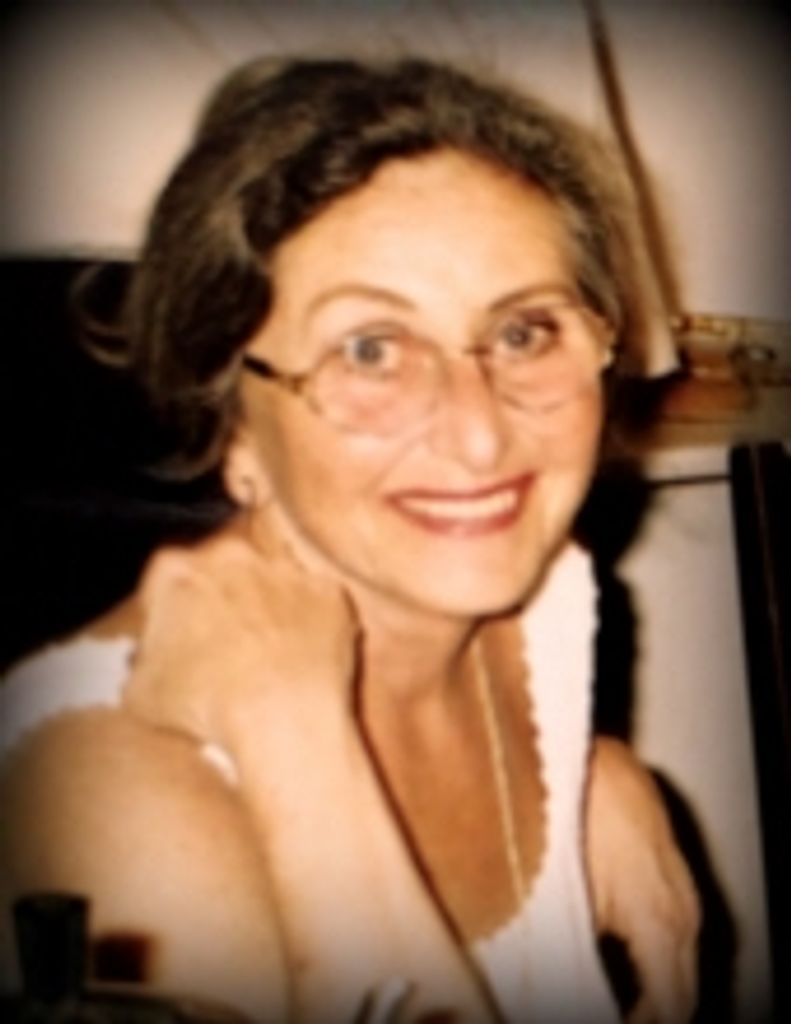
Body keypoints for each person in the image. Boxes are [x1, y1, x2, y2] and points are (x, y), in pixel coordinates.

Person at [0, 57, 699, 1023]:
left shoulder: (541, 600)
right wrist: (299, 744)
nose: (479, 436)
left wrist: (590, 777)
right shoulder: (114, 798)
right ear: (234, 420)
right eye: (369, 350)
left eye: (524, 332)